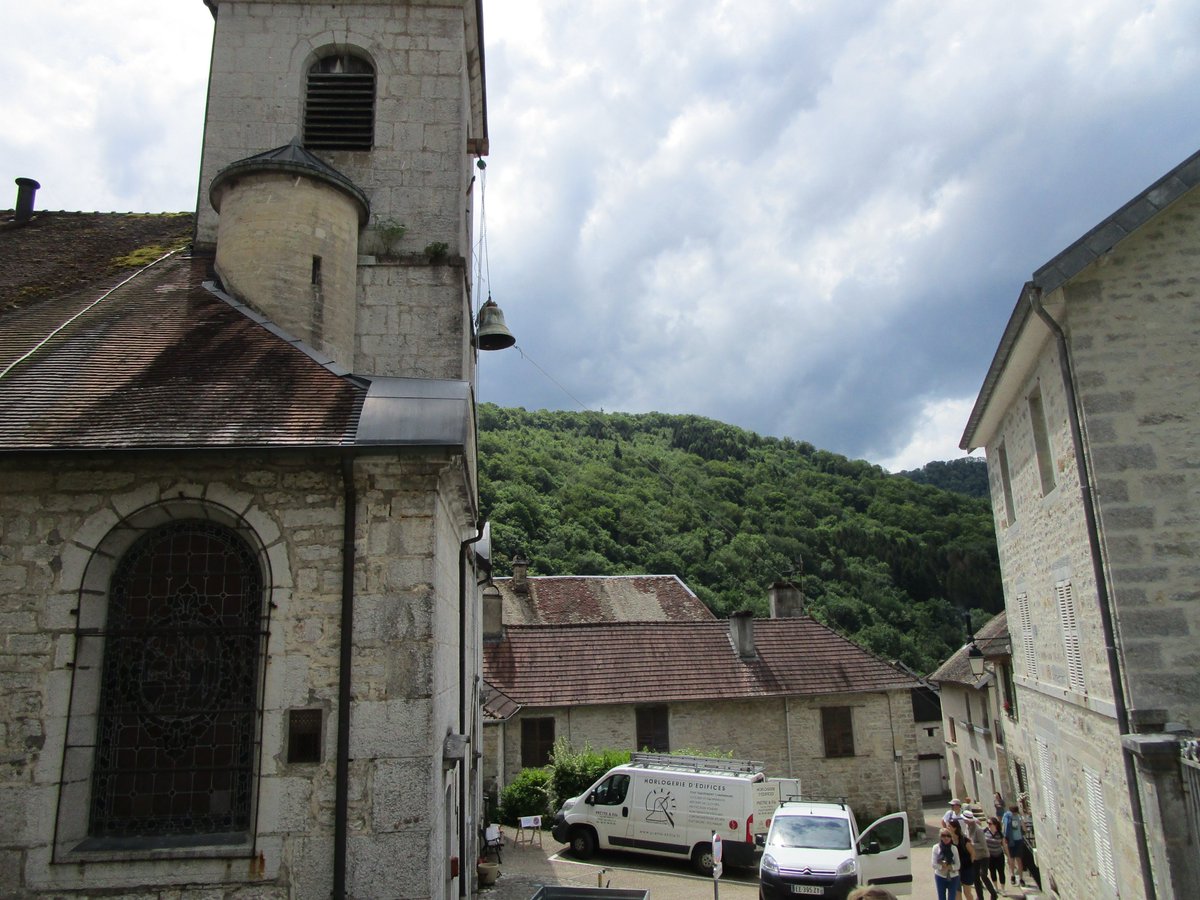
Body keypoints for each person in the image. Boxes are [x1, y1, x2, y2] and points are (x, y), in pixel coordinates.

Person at [963, 811, 998, 900]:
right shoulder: (967, 828)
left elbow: (983, 845)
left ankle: (993, 894)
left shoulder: (978, 830)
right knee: (975, 877)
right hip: (975, 856)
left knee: (983, 875)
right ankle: (980, 896)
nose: (965, 821)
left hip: (984, 856)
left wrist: (971, 844)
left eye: (966, 820)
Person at [932, 826, 962, 900]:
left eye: (948, 836)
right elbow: (934, 864)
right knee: (941, 897)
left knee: (952, 897)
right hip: (940, 876)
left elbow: (958, 865)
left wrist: (950, 867)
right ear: (940, 837)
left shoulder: (954, 848)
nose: (946, 838)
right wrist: (942, 867)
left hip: (953, 876)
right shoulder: (936, 847)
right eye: (943, 836)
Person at [953, 817, 977, 900]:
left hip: (966, 869)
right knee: (957, 892)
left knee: (967, 893)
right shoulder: (949, 841)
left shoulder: (964, 840)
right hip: (955, 870)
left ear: (954, 828)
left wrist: (970, 864)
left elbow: (973, 853)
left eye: (949, 826)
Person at [1002, 804, 1026, 885]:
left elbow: (1004, 828)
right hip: (1016, 840)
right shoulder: (1017, 817)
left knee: (1013, 859)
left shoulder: (1007, 816)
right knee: (1016, 860)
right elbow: (1024, 829)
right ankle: (1019, 878)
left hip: (1012, 840)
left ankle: (1014, 876)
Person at [984, 816, 1008, 888]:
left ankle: (1003, 888)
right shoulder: (985, 831)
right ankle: (995, 887)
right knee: (992, 871)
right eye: (987, 823)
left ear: (995, 824)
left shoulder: (1000, 834)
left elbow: (1004, 846)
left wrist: (1008, 856)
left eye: (990, 823)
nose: (988, 825)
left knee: (1001, 872)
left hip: (999, 855)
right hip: (990, 856)